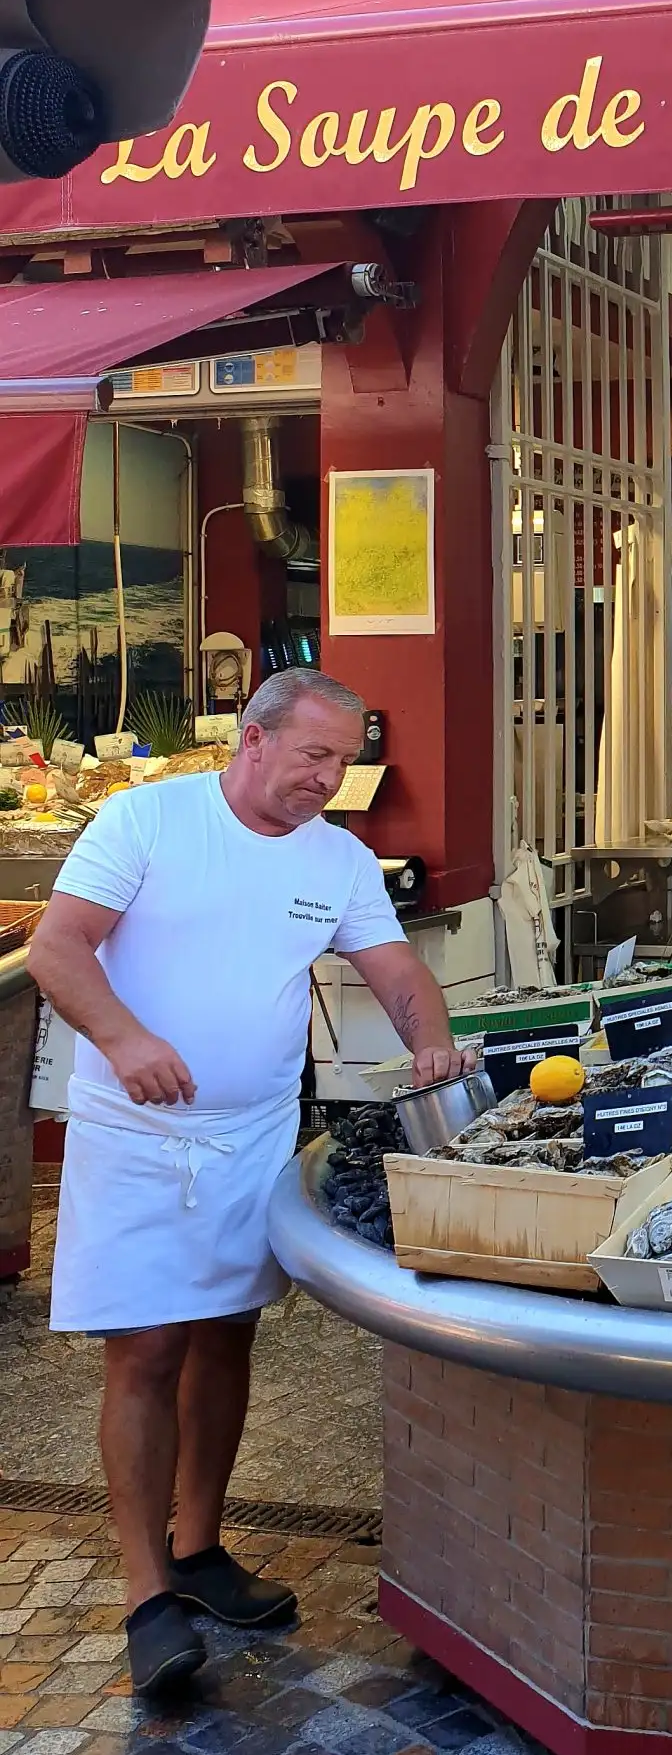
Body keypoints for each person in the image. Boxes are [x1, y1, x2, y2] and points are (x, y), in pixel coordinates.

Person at [27, 667, 470, 1697]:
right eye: (315, 754)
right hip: (135, 1130)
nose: (330, 776)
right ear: (254, 740)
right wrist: (125, 1037)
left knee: (229, 1330)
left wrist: (434, 1044)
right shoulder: (147, 821)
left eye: (345, 759)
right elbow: (60, 949)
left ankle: (199, 1546)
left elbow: (396, 973)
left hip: (253, 1135)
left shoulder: (339, 859)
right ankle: (147, 1596)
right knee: (145, 1347)